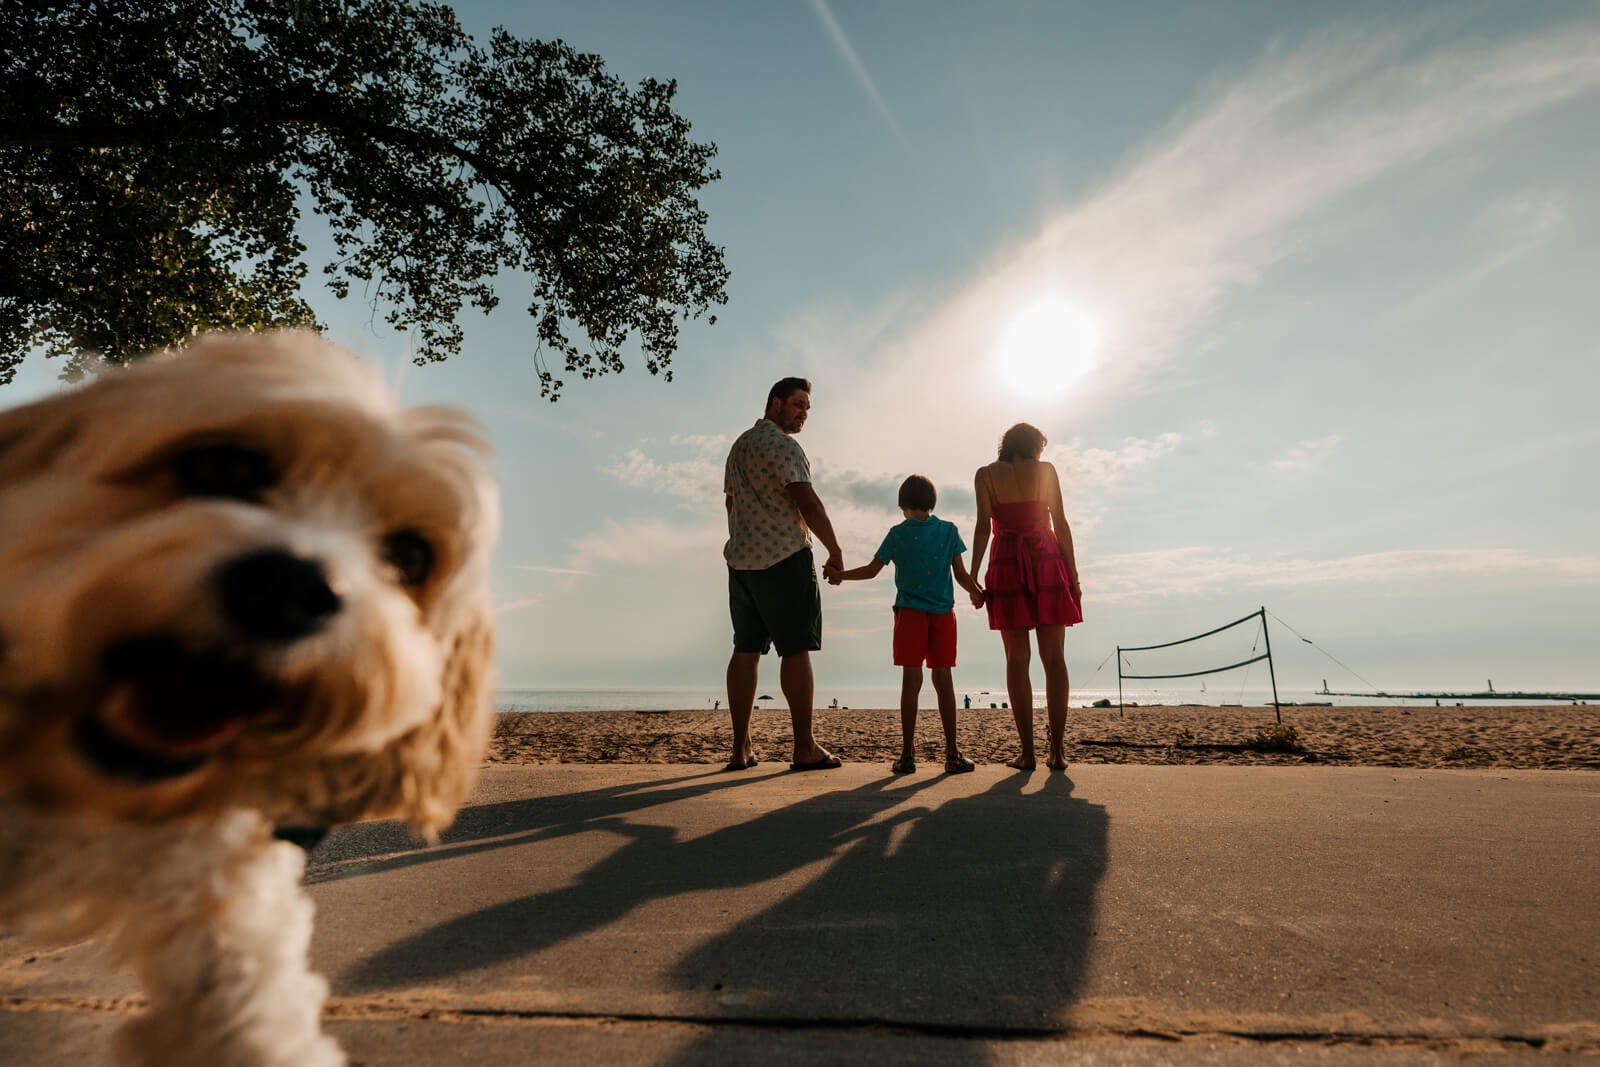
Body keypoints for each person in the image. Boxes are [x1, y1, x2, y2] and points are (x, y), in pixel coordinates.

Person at [722, 376, 844, 772]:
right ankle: (804, 747)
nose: (803, 414)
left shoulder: (739, 446)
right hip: (784, 557)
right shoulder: (783, 445)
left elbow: (730, 501)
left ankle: (741, 748)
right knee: (795, 650)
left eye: (807, 408)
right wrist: (835, 549)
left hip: (741, 561)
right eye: (797, 405)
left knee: (745, 650)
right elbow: (807, 501)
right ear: (775, 403)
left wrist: (743, 536)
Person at [825, 475, 984, 774]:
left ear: (902, 504)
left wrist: (840, 575)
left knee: (911, 683)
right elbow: (961, 575)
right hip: (942, 615)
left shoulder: (897, 534)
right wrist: (976, 591)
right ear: (932, 501)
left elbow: (872, 571)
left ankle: (907, 754)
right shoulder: (948, 531)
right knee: (943, 681)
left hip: (910, 614)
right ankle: (952, 754)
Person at [969, 423, 1082, 771]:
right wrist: (1073, 576)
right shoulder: (1046, 471)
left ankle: (1028, 754)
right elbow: (1060, 524)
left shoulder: (985, 474)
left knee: (1016, 660)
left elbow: (983, 527)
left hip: (1006, 562)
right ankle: (1058, 752)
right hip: (1046, 558)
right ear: (1034, 447)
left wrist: (973, 577)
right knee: (1055, 658)